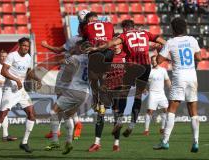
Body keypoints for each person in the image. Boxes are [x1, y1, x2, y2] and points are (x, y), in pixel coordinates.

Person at [86, 19, 166, 138]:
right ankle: (132, 125)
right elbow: (163, 42)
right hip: (145, 67)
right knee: (138, 96)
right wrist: (161, 51)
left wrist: (96, 49)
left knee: (123, 93)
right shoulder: (145, 33)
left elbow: (110, 44)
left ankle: (119, 121)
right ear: (134, 26)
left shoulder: (124, 35)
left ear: (124, 28)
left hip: (132, 67)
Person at [0, 37, 42, 156]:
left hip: (21, 91)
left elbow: (29, 72)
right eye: (24, 45)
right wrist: (16, 80)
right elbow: (3, 72)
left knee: (32, 114)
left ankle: (24, 142)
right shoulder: (12, 55)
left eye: (27, 46)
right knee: (2, 116)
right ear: (19, 45)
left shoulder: (28, 57)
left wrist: (38, 78)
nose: (26, 48)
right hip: (9, 90)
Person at [153, 17, 202, 153]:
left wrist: (162, 51)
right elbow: (199, 58)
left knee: (171, 110)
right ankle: (196, 142)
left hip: (179, 77)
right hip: (192, 77)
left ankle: (165, 141)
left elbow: (158, 60)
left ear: (173, 29)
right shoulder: (192, 40)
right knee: (193, 111)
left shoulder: (171, 42)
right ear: (185, 28)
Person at [41, 15, 88, 143]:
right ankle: (75, 123)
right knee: (67, 100)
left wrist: (46, 45)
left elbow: (57, 50)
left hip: (67, 70)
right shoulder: (89, 42)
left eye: (79, 26)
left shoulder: (74, 40)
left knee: (60, 99)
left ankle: (59, 129)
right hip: (78, 76)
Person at [47, 40, 90, 155]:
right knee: (68, 115)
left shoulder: (76, 58)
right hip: (85, 93)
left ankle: (55, 140)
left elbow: (62, 61)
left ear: (81, 48)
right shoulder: (93, 61)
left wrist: (68, 56)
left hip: (73, 91)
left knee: (54, 111)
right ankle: (68, 142)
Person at [81, 12, 115, 152]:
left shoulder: (86, 27)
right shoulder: (109, 25)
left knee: (93, 77)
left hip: (97, 56)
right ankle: (98, 142)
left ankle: (98, 97)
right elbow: (113, 40)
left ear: (89, 20)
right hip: (111, 57)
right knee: (105, 112)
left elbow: (85, 43)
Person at [88, 42, 126, 152]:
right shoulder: (107, 57)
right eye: (114, 45)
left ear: (121, 45)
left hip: (119, 91)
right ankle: (96, 143)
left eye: (117, 44)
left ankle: (116, 144)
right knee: (101, 114)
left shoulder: (126, 56)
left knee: (117, 117)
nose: (115, 46)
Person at [143, 55, 171, 136]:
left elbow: (167, 80)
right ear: (151, 61)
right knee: (150, 111)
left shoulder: (163, 70)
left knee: (166, 110)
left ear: (158, 61)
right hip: (152, 93)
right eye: (152, 60)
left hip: (161, 93)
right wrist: (144, 88)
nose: (154, 61)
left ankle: (162, 128)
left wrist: (171, 88)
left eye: (155, 60)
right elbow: (143, 81)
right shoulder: (149, 71)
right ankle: (146, 130)